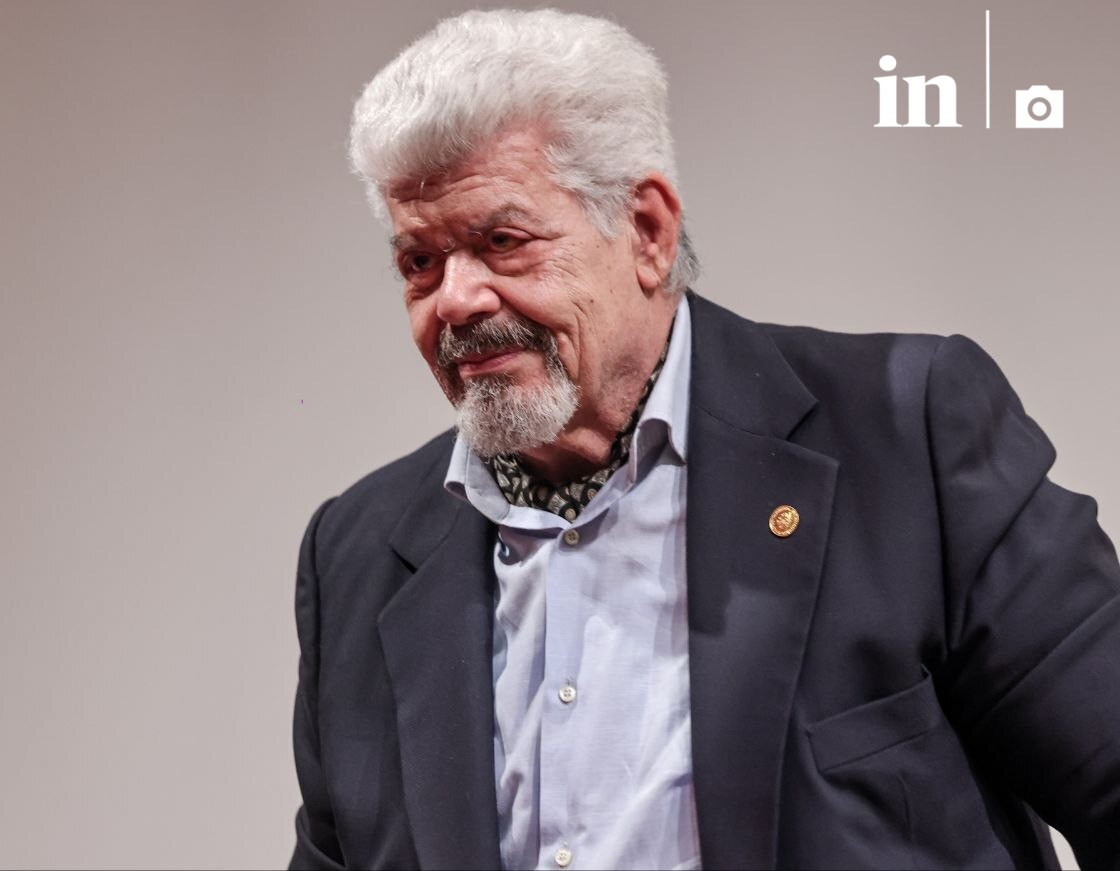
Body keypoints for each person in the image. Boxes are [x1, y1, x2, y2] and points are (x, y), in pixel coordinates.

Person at [289, 9, 1120, 870]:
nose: (456, 299)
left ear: (648, 231)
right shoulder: (353, 558)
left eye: (502, 241)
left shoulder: (908, 439)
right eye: (419, 262)